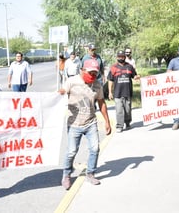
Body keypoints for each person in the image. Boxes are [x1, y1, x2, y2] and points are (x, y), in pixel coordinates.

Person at [58, 58, 112, 190]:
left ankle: (90, 173)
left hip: (90, 122)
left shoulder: (97, 84)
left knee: (95, 149)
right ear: (82, 71)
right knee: (71, 152)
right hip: (74, 124)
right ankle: (66, 175)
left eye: (95, 74)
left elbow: (101, 103)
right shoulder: (72, 81)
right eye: (90, 73)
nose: (93, 76)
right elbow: (60, 94)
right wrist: (59, 93)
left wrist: (107, 122)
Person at [107, 50, 140, 133]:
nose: (121, 58)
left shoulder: (129, 66)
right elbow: (110, 80)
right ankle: (119, 126)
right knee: (119, 110)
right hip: (118, 93)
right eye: (119, 56)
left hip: (127, 92)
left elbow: (134, 76)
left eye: (122, 56)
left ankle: (128, 122)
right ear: (117, 57)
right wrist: (110, 92)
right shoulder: (113, 67)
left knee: (128, 110)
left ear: (125, 57)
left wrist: (137, 77)